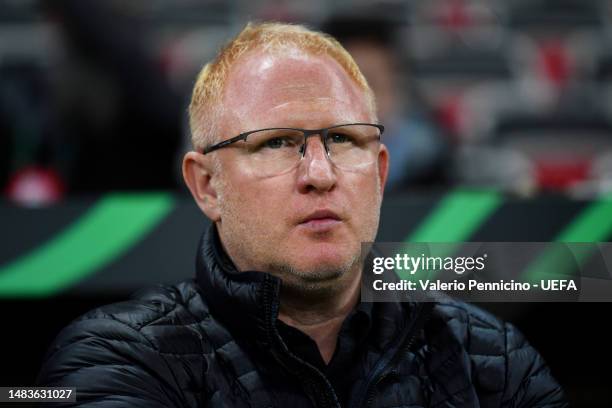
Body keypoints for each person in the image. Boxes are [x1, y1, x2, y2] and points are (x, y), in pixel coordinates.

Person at [37, 22, 567, 407]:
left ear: (380, 173)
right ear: (206, 186)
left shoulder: (494, 358)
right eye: (275, 143)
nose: (320, 172)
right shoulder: (115, 359)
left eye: (342, 138)